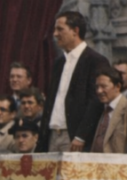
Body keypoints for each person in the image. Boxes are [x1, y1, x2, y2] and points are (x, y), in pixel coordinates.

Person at [42, 10, 110, 152]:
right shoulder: (59, 62)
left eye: (60, 29)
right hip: (52, 134)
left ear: (75, 31)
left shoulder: (95, 60)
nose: (55, 34)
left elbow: (96, 101)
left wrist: (81, 135)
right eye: (55, 29)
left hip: (74, 137)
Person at [90, 65, 127, 154]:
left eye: (103, 86)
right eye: (97, 87)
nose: (99, 91)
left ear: (117, 86)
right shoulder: (103, 109)